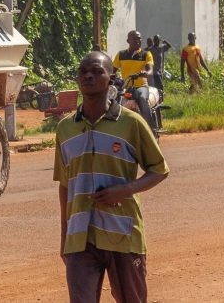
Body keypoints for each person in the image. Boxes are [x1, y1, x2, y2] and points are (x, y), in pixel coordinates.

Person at [55, 51, 169, 303]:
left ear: (111, 78)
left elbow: (159, 169)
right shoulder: (65, 129)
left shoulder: (131, 123)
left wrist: (125, 190)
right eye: (83, 71)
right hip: (79, 238)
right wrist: (65, 238)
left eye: (97, 71)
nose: (88, 76)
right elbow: (65, 186)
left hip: (122, 233)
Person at [113, 31, 158, 133]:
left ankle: (151, 129)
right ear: (128, 40)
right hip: (126, 87)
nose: (138, 41)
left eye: (139, 38)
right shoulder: (121, 54)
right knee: (112, 101)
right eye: (135, 39)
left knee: (142, 98)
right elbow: (112, 70)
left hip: (141, 86)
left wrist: (145, 72)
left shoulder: (146, 54)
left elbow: (150, 69)